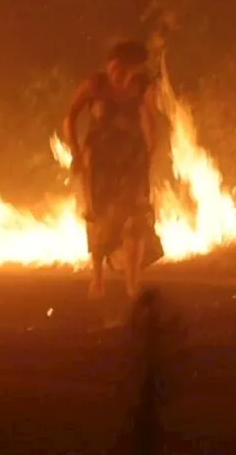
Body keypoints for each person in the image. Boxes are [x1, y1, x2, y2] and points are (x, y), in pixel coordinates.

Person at [65, 39, 163, 300]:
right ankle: (97, 278)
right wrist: (76, 152)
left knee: (135, 220)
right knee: (100, 219)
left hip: (131, 161)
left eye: (125, 67)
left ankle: (133, 284)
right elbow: (70, 116)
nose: (118, 71)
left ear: (134, 68)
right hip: (99, 164)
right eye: (115, 66)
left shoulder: (140, 88)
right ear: (109, 65)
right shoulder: (96, 85)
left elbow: (150, 119)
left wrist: (149, 151)